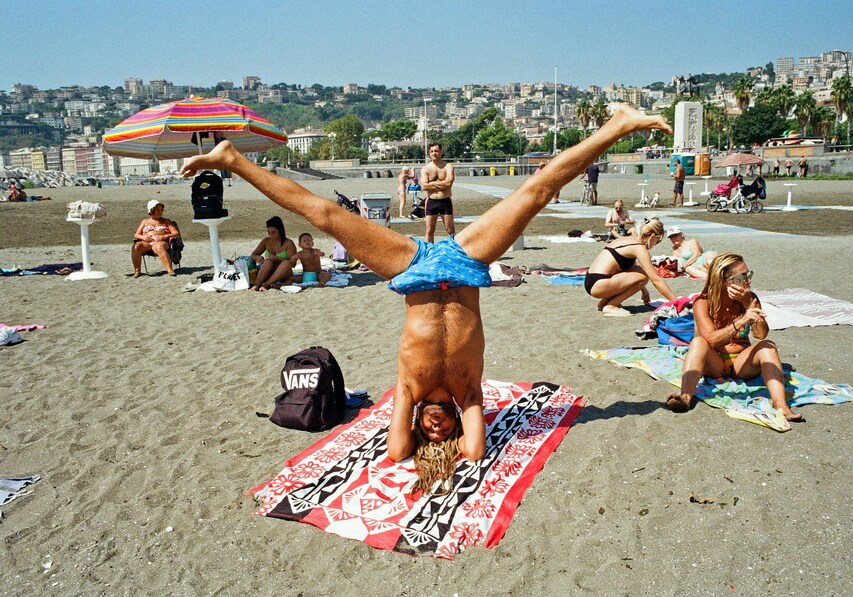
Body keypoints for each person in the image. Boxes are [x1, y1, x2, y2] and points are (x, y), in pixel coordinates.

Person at [180, 105, 672, 492]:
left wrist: (415, 429)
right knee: (537, 192)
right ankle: (618, 125)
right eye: (444, 434)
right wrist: (458, 439)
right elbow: (475, 452)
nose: (436, 430)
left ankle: (233, 160)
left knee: (324, 215)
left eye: (427, 434)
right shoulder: (468, 393)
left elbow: (396, 452)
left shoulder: (410, 391)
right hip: (465, 263)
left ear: (415, 422)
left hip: (411, 270)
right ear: (457, 422)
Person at [664, 253, 804, 422]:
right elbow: (711, 340)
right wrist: (742, 321)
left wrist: (747, 304)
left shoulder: (750, 298)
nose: (748, 280)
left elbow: (760, 334)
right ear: (724, 281)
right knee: (698, 342)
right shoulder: (703, 303)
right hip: (714, 363)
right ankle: (685, 398)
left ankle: (781, 405)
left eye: (749, 274)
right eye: (742, 277)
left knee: (768, 345)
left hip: (741, 363)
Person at [584, 217, 678, 316]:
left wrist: (644, 290)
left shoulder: (628, 240)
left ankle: (604, 303)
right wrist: (676, 302)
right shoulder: (639, 248)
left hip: (591, 281)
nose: (656, 244)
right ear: (652, 236)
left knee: (638, 270)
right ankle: (611, 306)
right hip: (598, 284)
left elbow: (631, 270)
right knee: (644, 276)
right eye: (657, 241)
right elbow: (655, 280)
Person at [131, 200, 181, 278]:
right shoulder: (145, 221)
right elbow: (136, 235)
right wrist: (143, 237)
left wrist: (165, 236)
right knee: (136, 246)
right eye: (157, 210)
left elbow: (176, 233)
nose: (160, 212)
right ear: (151, 210)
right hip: (147, 242)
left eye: (161, 210)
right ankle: (137, 271)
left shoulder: (166, 221)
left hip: (162, 241)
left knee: (158, 246)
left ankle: (170, 270)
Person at [249, 216, 297, 291]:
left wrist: (278, 259)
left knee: (286, 263)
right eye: (269, 232)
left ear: (280, 230)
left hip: (283, 274)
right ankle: (256, 285)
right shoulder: (266, 241)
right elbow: (253, 255)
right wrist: (258, 257)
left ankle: (266, 285)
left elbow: (293, 264)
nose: (271, 235)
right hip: (269, 273)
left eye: (273, 232)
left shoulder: (288, 243)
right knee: (268, 262)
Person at [421, 143, 454, 243]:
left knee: (450, 229)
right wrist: (442, 184)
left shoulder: (448, 166)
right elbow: (424, 186)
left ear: (441, 152)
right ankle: (429, 249)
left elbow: (449, 183)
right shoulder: (426, 168)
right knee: (429, 230)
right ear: (429, 153)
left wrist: (431, 184)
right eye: (431, 151)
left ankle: (453, 248)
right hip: (431, 201)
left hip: (445, 201)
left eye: (436, 151)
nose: (434, 153)